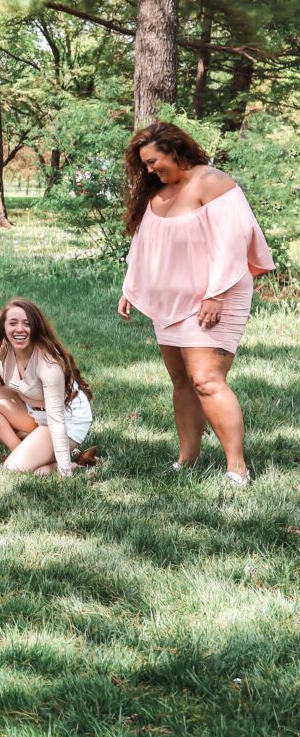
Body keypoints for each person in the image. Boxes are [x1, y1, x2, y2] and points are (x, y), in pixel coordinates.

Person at [118, 122, 274, 485]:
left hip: (215, 296)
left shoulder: (211, 182)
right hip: (169, 300)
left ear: (176, 150)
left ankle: (237, 467)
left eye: (154, 161)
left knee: (206, 379)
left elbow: (233, 241)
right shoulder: (157, 194)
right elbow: (144, 246)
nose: (150, 169)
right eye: (144, 165)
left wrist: (216, 293)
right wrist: (130, 287)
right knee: (181, 380)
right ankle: (187, 459)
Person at [0, 299, 95, 477]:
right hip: (35, 410)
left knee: (14, 470)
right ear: (4, 327)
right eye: (12, 323)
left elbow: (56, 420)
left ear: (36, 327)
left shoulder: (48, 363)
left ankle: (71, 464)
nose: (19, 329)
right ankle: (22, 452)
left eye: (27, 324)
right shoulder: (4, 347)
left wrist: (65, 472)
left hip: (66, 419)